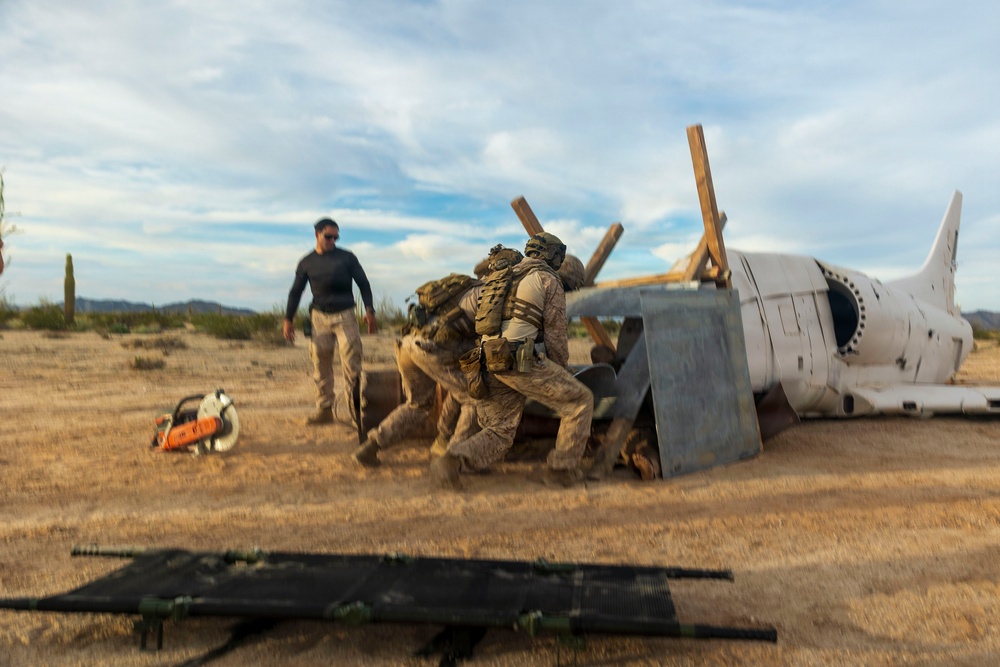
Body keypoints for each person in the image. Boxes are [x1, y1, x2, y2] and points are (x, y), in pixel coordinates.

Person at [430, 233, 594, 490]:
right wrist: (561, 374)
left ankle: (451, 461)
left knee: (500, 431)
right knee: (580, 402)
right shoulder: (548, 280)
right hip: (517, 361)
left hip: (486, 359)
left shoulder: (503, 275)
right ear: (554, 256)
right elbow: (556, 339)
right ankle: (562, 470)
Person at [351, 269, 492, 468]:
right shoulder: (489, 294)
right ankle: (455, 460)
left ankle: (371, 447)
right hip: (433, 349)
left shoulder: (459, 287)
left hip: (408, 344)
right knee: (475, 398)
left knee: (418, 404)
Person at [284, 218, 377, 429]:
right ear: (317, 234)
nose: (333, 240)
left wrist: (369, 310)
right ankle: (324, 410)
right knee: (320, 363)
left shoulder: (347, 257)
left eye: (336, 237)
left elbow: (364, 283)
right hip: (319, 319)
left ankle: (357, 413)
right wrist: (288, 319)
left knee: (352, 364)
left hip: (345, 316)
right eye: (328, 236)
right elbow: (296, 292)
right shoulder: (306, 262)